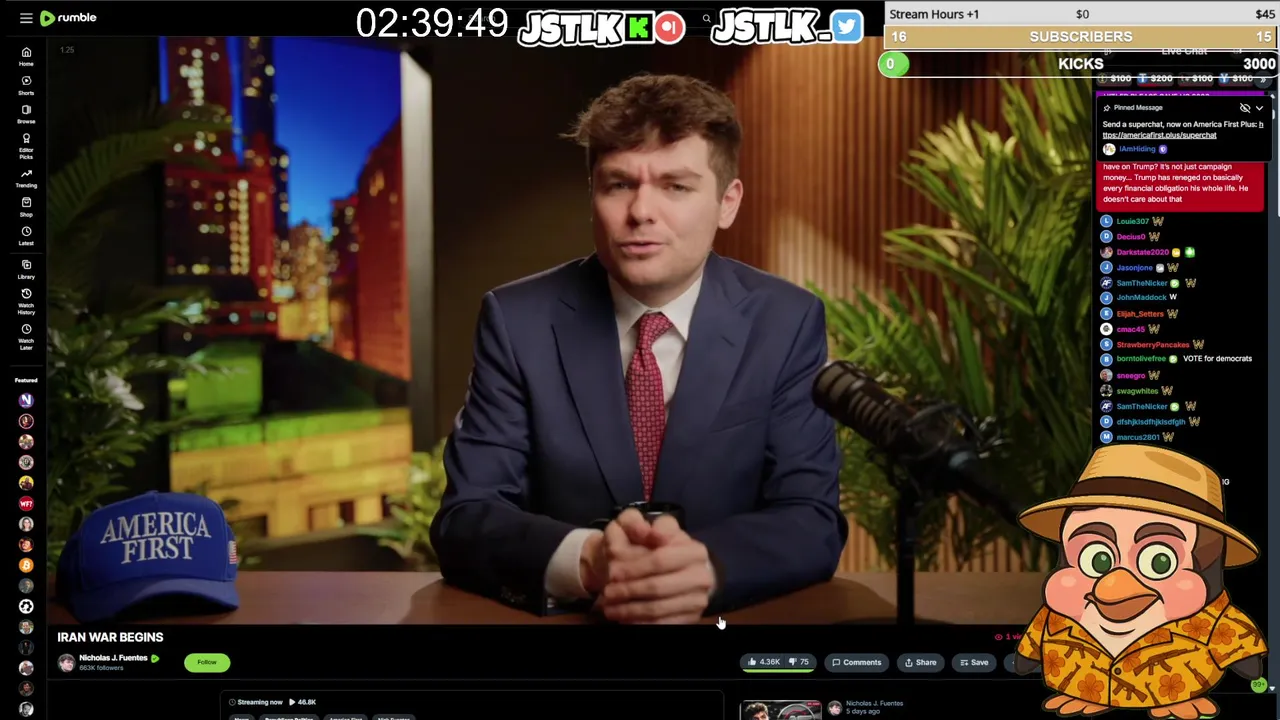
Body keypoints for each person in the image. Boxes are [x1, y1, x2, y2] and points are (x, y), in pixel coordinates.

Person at [430, 73, 847, 623]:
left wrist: (705, 568)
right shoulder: (517, 320)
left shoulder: (787, 320)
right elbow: (466, 516)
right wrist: (588, 559)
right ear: (593, 195)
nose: (641, 211)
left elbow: (811, 518)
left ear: (727, 203)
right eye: (619, 184)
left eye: (676, 186)